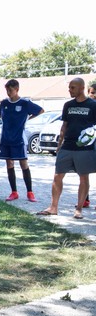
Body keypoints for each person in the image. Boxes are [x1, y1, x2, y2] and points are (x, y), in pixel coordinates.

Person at [37, 78, 96, 219]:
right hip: (67, 146)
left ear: (82, 88)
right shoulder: (68, 105)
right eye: (69, 87)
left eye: (73, 87)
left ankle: (79, 209)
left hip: (84, 148)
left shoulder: (93, 105)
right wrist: (59, 144)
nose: (70, 90)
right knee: (58, 176)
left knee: (83, 177)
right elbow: (64, 125)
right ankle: (53, 207)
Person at [0, 79, 44, 202]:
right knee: (9, 164)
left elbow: (40, 110)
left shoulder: (25, 103)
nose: (8, 93)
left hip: (19, 138)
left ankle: (30, 192)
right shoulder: (4, 102)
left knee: (23, 164)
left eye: (10, 90)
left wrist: (26, 118)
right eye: (7, 90)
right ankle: (14, 192)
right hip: (6, 137)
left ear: (17, 89)